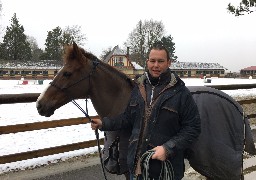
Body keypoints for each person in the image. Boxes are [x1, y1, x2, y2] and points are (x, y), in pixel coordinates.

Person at [91, 43, 201, 180]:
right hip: (136, 169)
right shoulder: (138, 89)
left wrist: (168, 148)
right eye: (152, 61)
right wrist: (104, 123)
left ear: (168, 63)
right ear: (147, 62)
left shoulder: (181, 93)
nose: (156, 65)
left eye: (160, 61)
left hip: (165, 172)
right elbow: (128, 118)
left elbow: (193, 128)